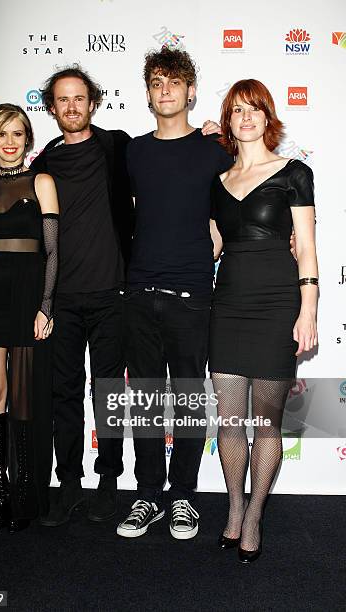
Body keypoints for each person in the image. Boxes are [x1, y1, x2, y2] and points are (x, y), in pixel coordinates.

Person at [0, 65, 134, 525]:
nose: (72, 106)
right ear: (52, 108)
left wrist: (210, 135)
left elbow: (167, 156)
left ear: (93, 102)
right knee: (62, 394)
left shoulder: (117, 146)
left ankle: (109, 482)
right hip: (59, 298)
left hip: (112, 290)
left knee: (109, 392)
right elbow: (7, 203)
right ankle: (70, 484)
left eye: (80, 98)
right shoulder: (44, 165)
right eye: (63, 100)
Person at [116, 47, 233, 540]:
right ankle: (148, 495)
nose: (165, 90)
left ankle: (183, 495)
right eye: (157, 82)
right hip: (138, 292)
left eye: (174, 82)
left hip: (192, 294)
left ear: (190, 90)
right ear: (148, 94)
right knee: (142, 400)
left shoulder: (216, 149)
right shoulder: (133, 151)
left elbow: (248, 195)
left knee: (187, 400)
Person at [209, 79, 318, 562]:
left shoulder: (294, 172)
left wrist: (308, 309)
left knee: (265, 422)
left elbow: (308, 247)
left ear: (268, 116)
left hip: (277, 304)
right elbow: (211, 244)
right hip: (228, 302)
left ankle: (255, 515)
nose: (246, 117)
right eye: (237, 111)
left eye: (254, 109)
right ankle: (234, 508)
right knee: (230, 422)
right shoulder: (217, 181)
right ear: (229, 122)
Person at [0, 103, 59, 532]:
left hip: (26, 294)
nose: (9, 142)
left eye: (17, 134)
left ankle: (25, 488)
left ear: (27, 140)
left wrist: (46, 306)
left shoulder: (42, 181)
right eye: (2, 134)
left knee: (23, 396)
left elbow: (52, 250)